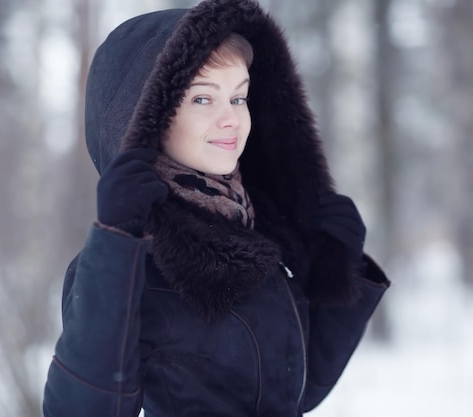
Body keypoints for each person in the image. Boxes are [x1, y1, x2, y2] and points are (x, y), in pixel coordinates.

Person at [42, 0, 389, 416]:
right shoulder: (128, 257)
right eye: (203, 100)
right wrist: (116, 243)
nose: (231, 119)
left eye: (239, 98)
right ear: (146, 115)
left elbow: (296, 391)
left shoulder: (258, 234)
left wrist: (339, 276)